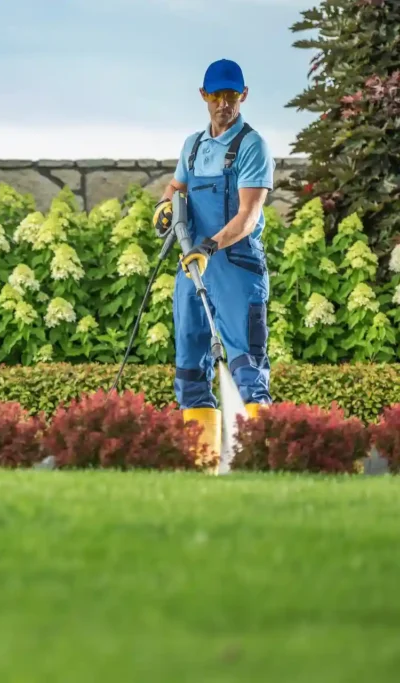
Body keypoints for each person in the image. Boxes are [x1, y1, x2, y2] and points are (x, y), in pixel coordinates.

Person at [152, 58, 275, 460]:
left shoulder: (252, 145)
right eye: (217, 96)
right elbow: (175, 187)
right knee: (190, 365)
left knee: (246, 366)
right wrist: (165, 206)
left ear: (244, 96)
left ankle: (258, 465)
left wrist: (207, 247)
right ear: (204, 96)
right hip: (192, 267)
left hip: (236, 267)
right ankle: (201, 467)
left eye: (232, 96)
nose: (225, 103)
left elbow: (248, 215)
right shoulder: (193, 145)